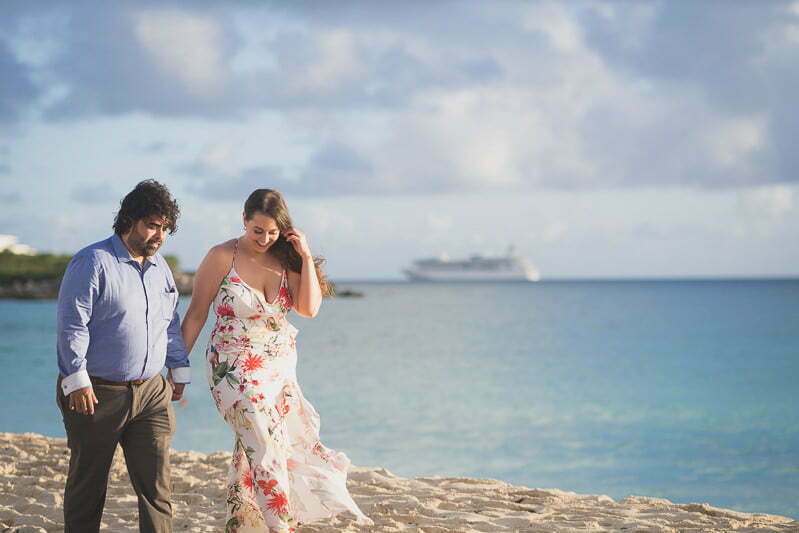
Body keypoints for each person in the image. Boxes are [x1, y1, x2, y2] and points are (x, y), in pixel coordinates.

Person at [181, 189, 370, 532]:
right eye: (257, 231)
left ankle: (245, 524)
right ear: (244, 220)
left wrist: (305, 255)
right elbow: (195, 314)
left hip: (278, 369)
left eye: (272, 232)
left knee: (256, 445)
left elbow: (308, 309)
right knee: (264, 443)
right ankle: (282, 528)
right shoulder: (222, 256)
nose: (265, 239)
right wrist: (176, 369)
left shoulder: (286, 258)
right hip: (232, 366)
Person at [56, 180, 190, 533]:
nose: (158, 235)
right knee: (89, 485)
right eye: (151, 225)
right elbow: (72, 325)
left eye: (165, 228)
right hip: (97, 393)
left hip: (152, 393)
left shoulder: (161, 267)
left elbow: (169, 322)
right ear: (129, 220)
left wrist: (179, 368)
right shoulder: (92, 262)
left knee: (157, 489)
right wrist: (76, 380)